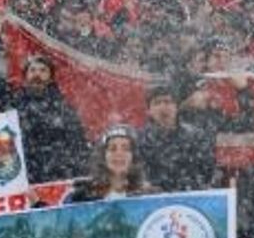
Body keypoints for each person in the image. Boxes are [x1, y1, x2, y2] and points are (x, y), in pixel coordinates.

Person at [12, 55, 87, 183]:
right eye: (32, 70)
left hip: (56, 178)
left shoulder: (63, 108)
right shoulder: (13, 106)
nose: (37, 74)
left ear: (51, 77)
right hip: (21, 178)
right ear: (25, 76)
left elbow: (77, 146)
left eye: (43, 70)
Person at [136, 84, 216, 192]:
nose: (163, 107)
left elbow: (208, 171)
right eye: (157, 103)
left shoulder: (196, 136)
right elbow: (136, 174)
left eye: (167, 102)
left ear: (176, 107)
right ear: (149, 111)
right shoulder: (139, 140)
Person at [65, 125, 155, 202]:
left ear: (134, 157)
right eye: (112, 148)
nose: (119, 154)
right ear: (103, 156)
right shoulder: (82, 196)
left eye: (125, 148)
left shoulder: (149, 196)